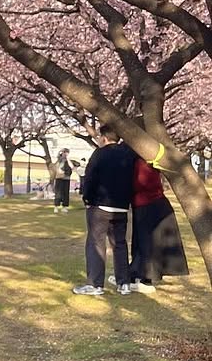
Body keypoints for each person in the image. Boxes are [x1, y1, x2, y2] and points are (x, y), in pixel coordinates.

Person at [73, 127, 136, 296]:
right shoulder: (128, 155)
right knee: (120, 244)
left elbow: (90, 178)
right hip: (121, 206)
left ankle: (95, 284)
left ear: (104, 138)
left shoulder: (100, 154)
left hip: (100, 205)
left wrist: (87, 199)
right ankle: (124, 283)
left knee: (96, 242)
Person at [129, 156, 189, 292]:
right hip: (150, 204)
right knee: (144, 243)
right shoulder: (146, 161)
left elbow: (141, 183)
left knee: (146, 243)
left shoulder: (143, 163)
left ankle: (145, 278)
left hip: (148, 205)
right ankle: (136, 274)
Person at [53, 149, 73, 213]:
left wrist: (68, 159)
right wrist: (60, 152)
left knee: (65, 193)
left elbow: (72, 167)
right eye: (64, 152)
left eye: (66, 152)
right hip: (59, 178)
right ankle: (56, 206)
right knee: (58, 193)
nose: (65, 154)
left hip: (66, 178)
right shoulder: (59, 160)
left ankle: (64, 207)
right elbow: (55, 166)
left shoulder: (69, 161)